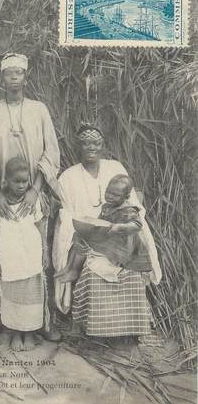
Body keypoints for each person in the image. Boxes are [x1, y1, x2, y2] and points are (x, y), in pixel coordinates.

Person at [0, 53, 60, 340]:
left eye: (19, 73)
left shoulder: (39, 110)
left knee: (35, 259)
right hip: (1, 197)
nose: (14, 78)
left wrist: (35, 190)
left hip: (31, 195)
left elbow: (50, 154)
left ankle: (40, 321)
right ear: (2, 79)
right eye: (9, 74)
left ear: (26, 78)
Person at [52, 123, 161, 339]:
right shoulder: (68, 175)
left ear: (103, 145)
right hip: (87, 234)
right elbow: (66, 215)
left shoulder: (115, 168)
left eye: (96, 143)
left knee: (128, 262)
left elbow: (133, 205)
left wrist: (120, 226)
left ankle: (129, 328)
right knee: (79, 243)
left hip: (119, 236)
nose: (91, 148)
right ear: (78, 146)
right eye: (85, 143)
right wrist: (78, 233)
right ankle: (87, 317)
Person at [0, 157, 47, 351]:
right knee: (13, 295)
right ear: (6, 180)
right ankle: (16, 333)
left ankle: (30, 333)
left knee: (31, 296)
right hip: (10, 258)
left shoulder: (33, 202)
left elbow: (40, 227)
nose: (22, 186)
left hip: (31, 256)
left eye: (25, 181)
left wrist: (45, 251)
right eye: (17, 181)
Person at [54, 173, 152, 284]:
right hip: (111, 239)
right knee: (78, 235)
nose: (110, 196)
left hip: (124, 247)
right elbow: (100, 222)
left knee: (87, 241)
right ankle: (69, 267)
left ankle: (75, 270)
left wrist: (119, 227)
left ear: (126, 197)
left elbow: (137, 224)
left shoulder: (128, 210)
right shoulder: (107, 207)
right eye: (108, 192)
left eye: (115, 195)